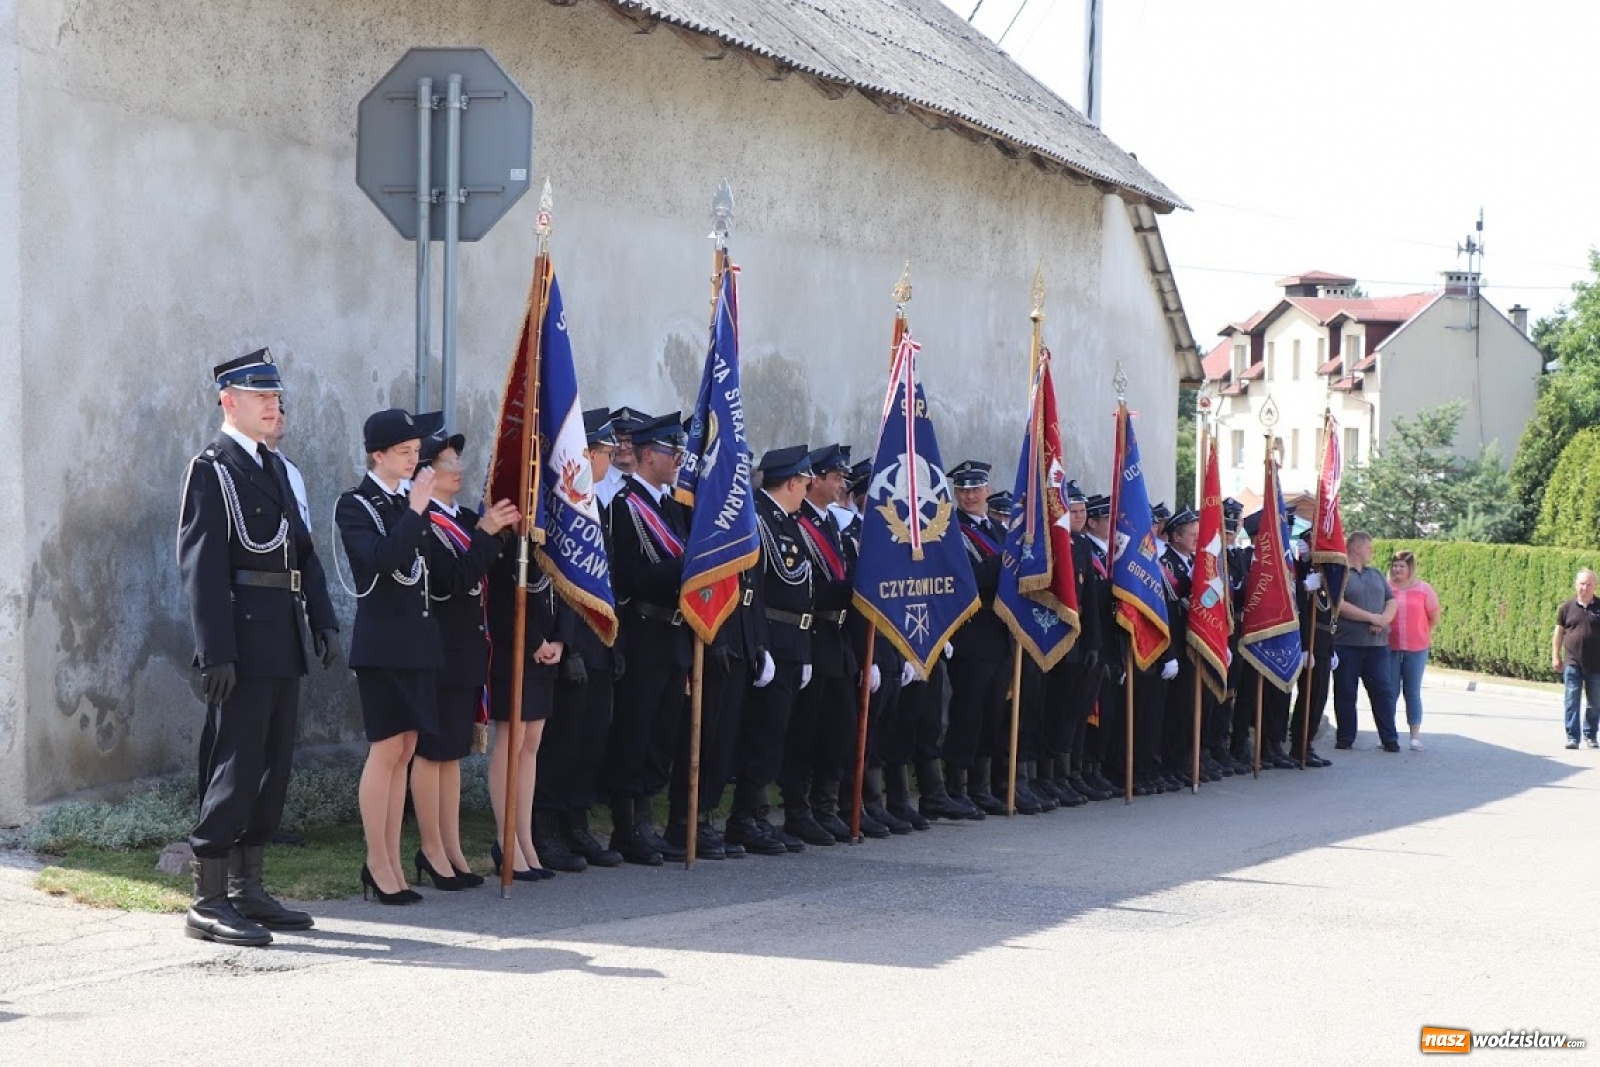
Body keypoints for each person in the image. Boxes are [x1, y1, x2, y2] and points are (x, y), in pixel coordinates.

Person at [178, 348, 339, 945]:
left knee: (272, 765)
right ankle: (209, 898)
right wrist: (214, 650)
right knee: (235, 761)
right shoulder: (213, 468)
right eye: (261, 396)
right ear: (230, 401)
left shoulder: (277, 468)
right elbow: (203, 566)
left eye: (276, 396)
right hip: (241, 641)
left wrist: (323, 621)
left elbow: (304, 554)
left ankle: (249, 888)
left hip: (283, 636)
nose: (275, 404)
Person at [335, 407, 444, 904]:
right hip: (381, 645)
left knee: (405, 750)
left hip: (416, 643)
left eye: (416, 452)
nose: (412, 460)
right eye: (403, 453)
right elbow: (380, 561)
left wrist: (417, 507)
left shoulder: (407, 502)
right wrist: (418, 509)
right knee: (386, 750)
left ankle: (395, 862)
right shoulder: (356, 504)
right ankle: (376, 862)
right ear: (376, 454)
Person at [411, 426, 519, 889]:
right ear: (425, 474)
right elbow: (450, 581)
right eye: (446, 463)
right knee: (433, 751)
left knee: (452, 754)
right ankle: (430, 849)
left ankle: (452, 848)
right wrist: (485, 534)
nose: (458, 470)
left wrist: (495, 532)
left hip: (467, 647)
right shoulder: (425, 523)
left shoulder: (461, 518)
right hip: (439, 648)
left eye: (457, 462)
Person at [603, 411, 693, 864]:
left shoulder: (674, 507)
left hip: (674, 633)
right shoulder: (623, 508)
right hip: (643, 632)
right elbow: (630, 577)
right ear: (646, 455)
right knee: (636, 732)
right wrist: (684, 571)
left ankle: (648, 817)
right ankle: (627, 824)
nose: (677, 458)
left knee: (663, 733)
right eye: (669, 451)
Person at [536, 410, 625, 869]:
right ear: (583, 453)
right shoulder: (558, 503)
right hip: (567, 642)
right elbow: (556, 582)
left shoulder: (597, 505)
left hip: (598, 642)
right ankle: (546, 828)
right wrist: (566, 642)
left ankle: (576, 823)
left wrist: (615, 643)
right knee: (562, 740)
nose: (609, 459)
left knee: (590, 739)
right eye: (606, 452)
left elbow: (606, 585)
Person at [725, 445, 815, 856]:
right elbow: (754, 592)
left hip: (794, 641)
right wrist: (760, 643)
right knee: (762, 734)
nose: (807, 488)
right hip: (772, 639)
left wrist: (806, 648)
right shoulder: (758, 521)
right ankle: (746, 817)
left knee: (778, 733)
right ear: (793, 481)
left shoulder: (788, 522)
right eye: (805, 481)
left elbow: (804, 592)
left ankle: (758, 816)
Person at [946, 460, 1012, 815]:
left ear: (987, 490)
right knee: (968, 710)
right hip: (971, 628)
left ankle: (981, 784)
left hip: (1001, 629)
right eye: (964, 490)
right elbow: (963, 578)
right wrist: (1001, 564)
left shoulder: (1002, 533)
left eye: (976, 489)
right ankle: (957, 785)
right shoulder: (951, 530)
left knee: (992, 712)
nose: (970, 496)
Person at [1331, 531, 1399, 752]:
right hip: (1347, 644)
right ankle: (1345, 738)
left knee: (1383, 691)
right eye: (1369, 548)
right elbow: (1338, 604)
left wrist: (1383, 619)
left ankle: (1390, 738)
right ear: (1357, 548)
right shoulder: (1341, 574)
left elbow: (1391, 601)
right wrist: (1371, 617)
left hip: (1377, 646)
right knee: (1346, 692)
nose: (1372, 552)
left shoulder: (1376, 574)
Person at [1387, 550, 1441, 751]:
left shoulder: (1423, 589)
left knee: (1412, 691)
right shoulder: (1387, 587)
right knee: (1390, 692)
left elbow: (1434, 616)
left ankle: (1415, 736)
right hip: (1390, 647)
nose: (1397, 569)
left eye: (1401, 566)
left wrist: (1420, 630)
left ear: (1410, 568)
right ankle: (1387, 734)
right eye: (1395, 565)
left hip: (1416, 648)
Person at [1552, 568, 1600, 750]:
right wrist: (1555, 656)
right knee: (1571, 699)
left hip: (1597, 665)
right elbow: (1559, 633)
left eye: (1589, 584)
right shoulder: (1566, 608)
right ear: (1576, 585)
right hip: (1573, 663)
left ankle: (1590, 734)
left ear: (1595, 586)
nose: (1585, 588)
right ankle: (1572, 737)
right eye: (1582, 584)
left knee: (1595, 702)